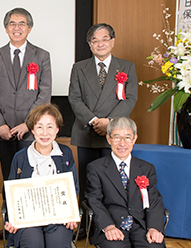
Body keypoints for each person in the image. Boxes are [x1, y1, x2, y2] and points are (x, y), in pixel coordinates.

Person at [68, 23, 138, 236]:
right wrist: (94, 121)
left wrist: (110, 122)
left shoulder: (126, 67)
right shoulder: (79, 67)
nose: (100, 44)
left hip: (115, 135)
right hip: (86, 131)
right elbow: (75, 98)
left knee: (114, 181)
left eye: (104, 39)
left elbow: (131, 98)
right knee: (87, 179)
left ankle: (111, 223)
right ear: (90, 44)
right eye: (95, 40)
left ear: (112, 41)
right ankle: (85, 225)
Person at [0, 7, 51, 195]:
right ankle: (9, 223)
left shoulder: (42, 56)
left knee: (31, 178)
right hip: (3, 131)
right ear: (6, 29)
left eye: (22, 23)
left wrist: (29, 124)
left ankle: (28, 223)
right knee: (8, 176)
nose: (17, 27)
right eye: (12, 24)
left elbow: (44, 94)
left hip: (31, 131)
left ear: (29, 28)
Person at [4, 103, 79, 248]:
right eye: (39, 127)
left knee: (57, 244)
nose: (45, 133)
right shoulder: (20, 157)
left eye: (50, 126)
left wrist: (70, 214)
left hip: (58, 218)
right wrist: (12, 219)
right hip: (27, 219)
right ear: (32, 129)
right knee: (33, 243)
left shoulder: (66, 154)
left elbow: (73, 187)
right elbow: (9, 193)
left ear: (57, 129)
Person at [86, 117, 165, 247]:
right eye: (116, 137)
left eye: (127, 138)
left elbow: (154, 200)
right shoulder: (96, 168)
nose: (122, 143)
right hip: (112, 225)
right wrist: (108, 226)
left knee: (154, 245)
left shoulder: (147, 168)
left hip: (141, 226)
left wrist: (154, 228)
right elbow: (93, 200)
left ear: (134, 139)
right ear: (108, 139)